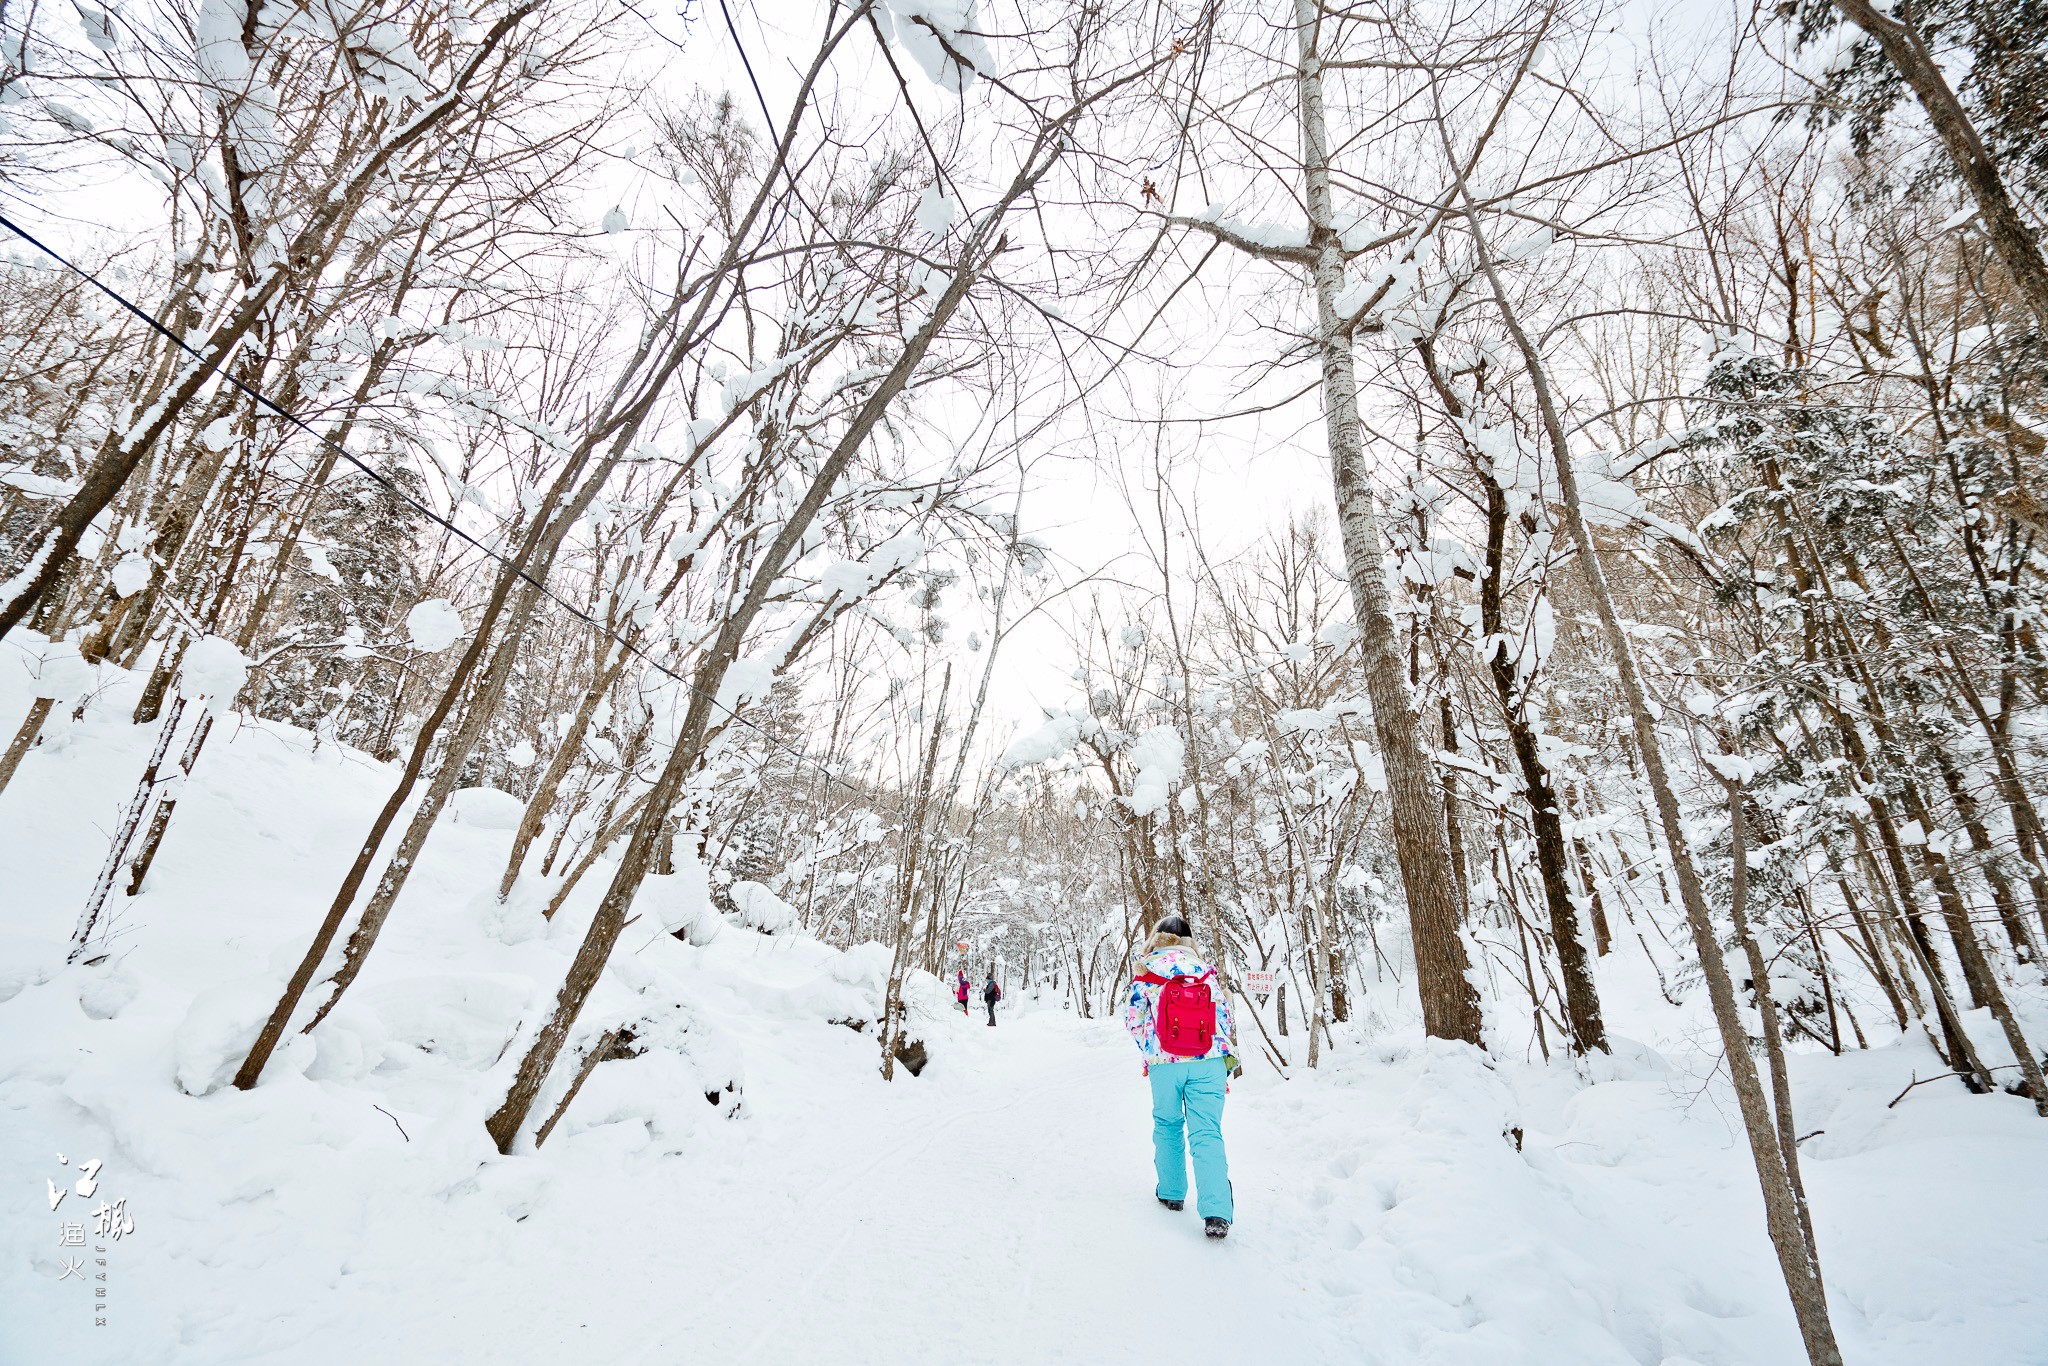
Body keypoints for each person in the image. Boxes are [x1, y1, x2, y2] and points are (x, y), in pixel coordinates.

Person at [1124, 914, 1235, 1239]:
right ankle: (1217, 1213)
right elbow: (1224, 1018)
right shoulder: (1206, 971)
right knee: (1207, 1133)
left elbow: (1133, 1019)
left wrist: (1152, 1050)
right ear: (1189, 941)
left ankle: (1172, 1193)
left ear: (1156, 938)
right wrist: (1221, 1060)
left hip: (1165, 1061)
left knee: (1169, 1125)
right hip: (1208, 1061)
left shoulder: (1146, 971)